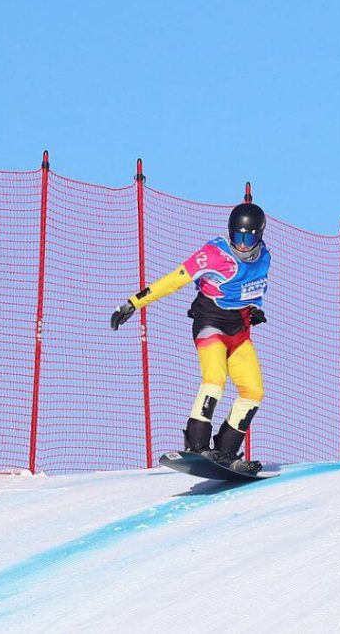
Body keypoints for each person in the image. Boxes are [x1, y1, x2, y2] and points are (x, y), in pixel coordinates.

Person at [110, 199, 271, 473]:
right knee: (214, 379)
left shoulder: (264, 256)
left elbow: (250, 289)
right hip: (210, 323)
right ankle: (197, 445)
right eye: (237, 236)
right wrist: (133, 303)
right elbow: (174, 279)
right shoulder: (214, 254)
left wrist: (254, 309)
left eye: (248, 237)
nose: (242, 244)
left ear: (259, 235)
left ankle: (225, 451)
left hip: (239, 330)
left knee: (254, 391)